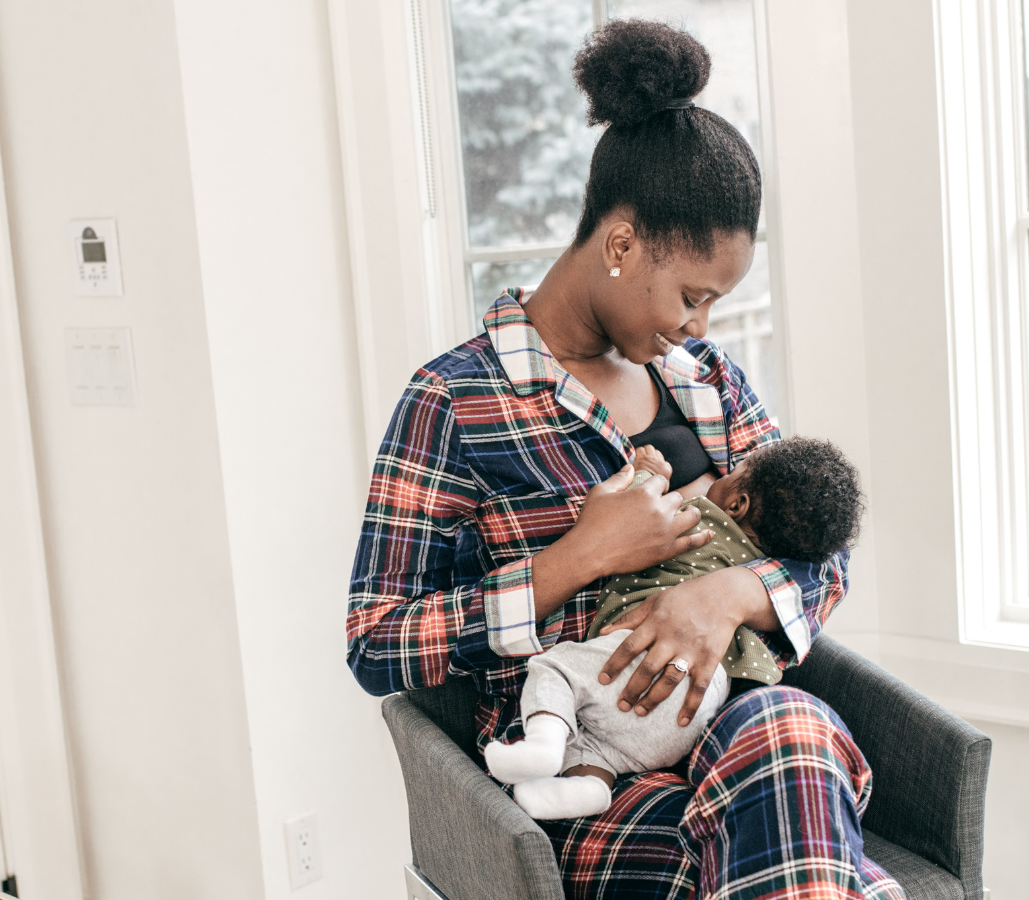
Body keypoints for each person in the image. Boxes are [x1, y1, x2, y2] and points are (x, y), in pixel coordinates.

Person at [346, 18, 904, 899]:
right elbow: (377, 642)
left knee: (792, 734)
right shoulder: (455, 401)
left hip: (738, 728)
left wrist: (726, 593)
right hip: (588, 776)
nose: (700, 327)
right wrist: (578, 560)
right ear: (619, 246)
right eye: (692, 296)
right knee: (772, 841)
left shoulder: (709, 384)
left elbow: (820, 549)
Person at [484, 439, 865, 822]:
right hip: (693, 715)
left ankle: (543, 745)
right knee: (602, 749)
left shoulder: (698, 520)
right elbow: (822, 547)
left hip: (629, 661)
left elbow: (634, 519)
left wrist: (651, 474)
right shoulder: (773, 556)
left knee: (556, 670)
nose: (724, 471)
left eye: (733, 471)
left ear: (737, 505)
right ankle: (589, 788)